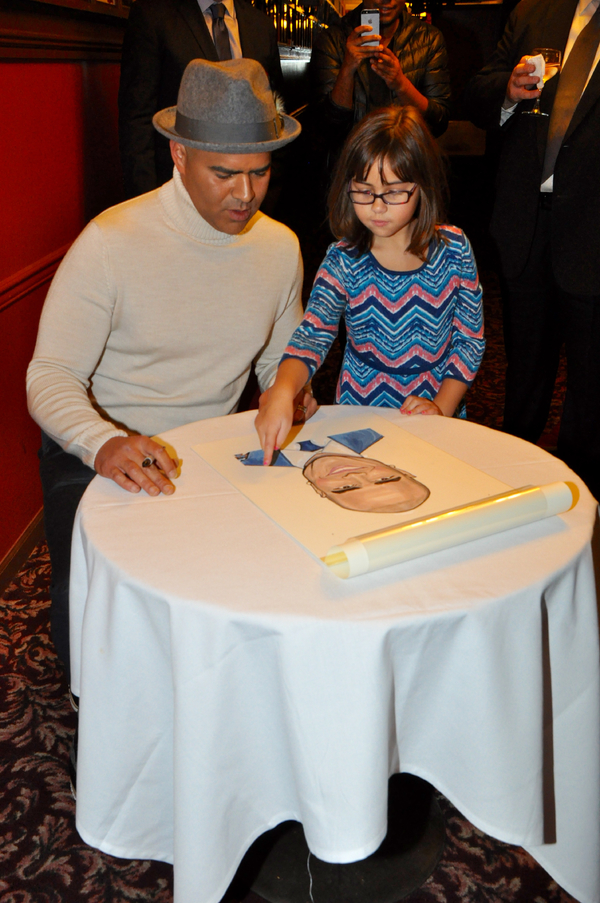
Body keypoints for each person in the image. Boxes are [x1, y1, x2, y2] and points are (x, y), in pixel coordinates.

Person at [26, 58, 311, 682]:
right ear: (179, 156)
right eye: (226, 174)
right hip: (99, 441)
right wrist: (103, 443)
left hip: (210, 441)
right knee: (104, 613)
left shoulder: (280, 246)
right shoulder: (111, 240)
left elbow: (278, 357)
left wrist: (289, 390)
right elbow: (49, 375)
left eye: (260, 174)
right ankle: (98, 714)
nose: (245, 195)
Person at [254, 105, 485, 465]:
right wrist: (284, 390)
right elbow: (313, 333)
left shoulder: (454, 249)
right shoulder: (343, 259)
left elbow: (469, 341)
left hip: (436, 407)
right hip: (360, 411)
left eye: (393, 193)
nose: (377, 207)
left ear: (421, 185)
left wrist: (441, 407)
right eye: (363, 191)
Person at [463, 0, 600, 501]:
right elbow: (477, 88)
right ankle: (513, 486)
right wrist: (506, 88)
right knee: (523, 375)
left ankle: (579, 500)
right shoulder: (535, 11)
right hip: (525, 224)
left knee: (589, 391)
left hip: (591, 231)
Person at [118, 0, 284, 198]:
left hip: (252, 198)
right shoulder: (153, 16)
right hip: (180, 194)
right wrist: (146, 200)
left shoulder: (261, 25)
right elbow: (137, 120)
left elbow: (276, 112)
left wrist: (272, 192)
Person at [310, 0, 451, 154]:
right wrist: (348, 68)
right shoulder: (331, 40)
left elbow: (438, 122)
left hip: (406, 163)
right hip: (352, 163)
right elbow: (327, 128)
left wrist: (401, 85)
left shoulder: (429, 39)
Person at [236, 427, 430, 512]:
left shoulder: (250, 463)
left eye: (345, 488)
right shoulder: (373, 430)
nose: (354, 475)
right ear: (403, 471)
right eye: (384, 479)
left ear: (319, 491)